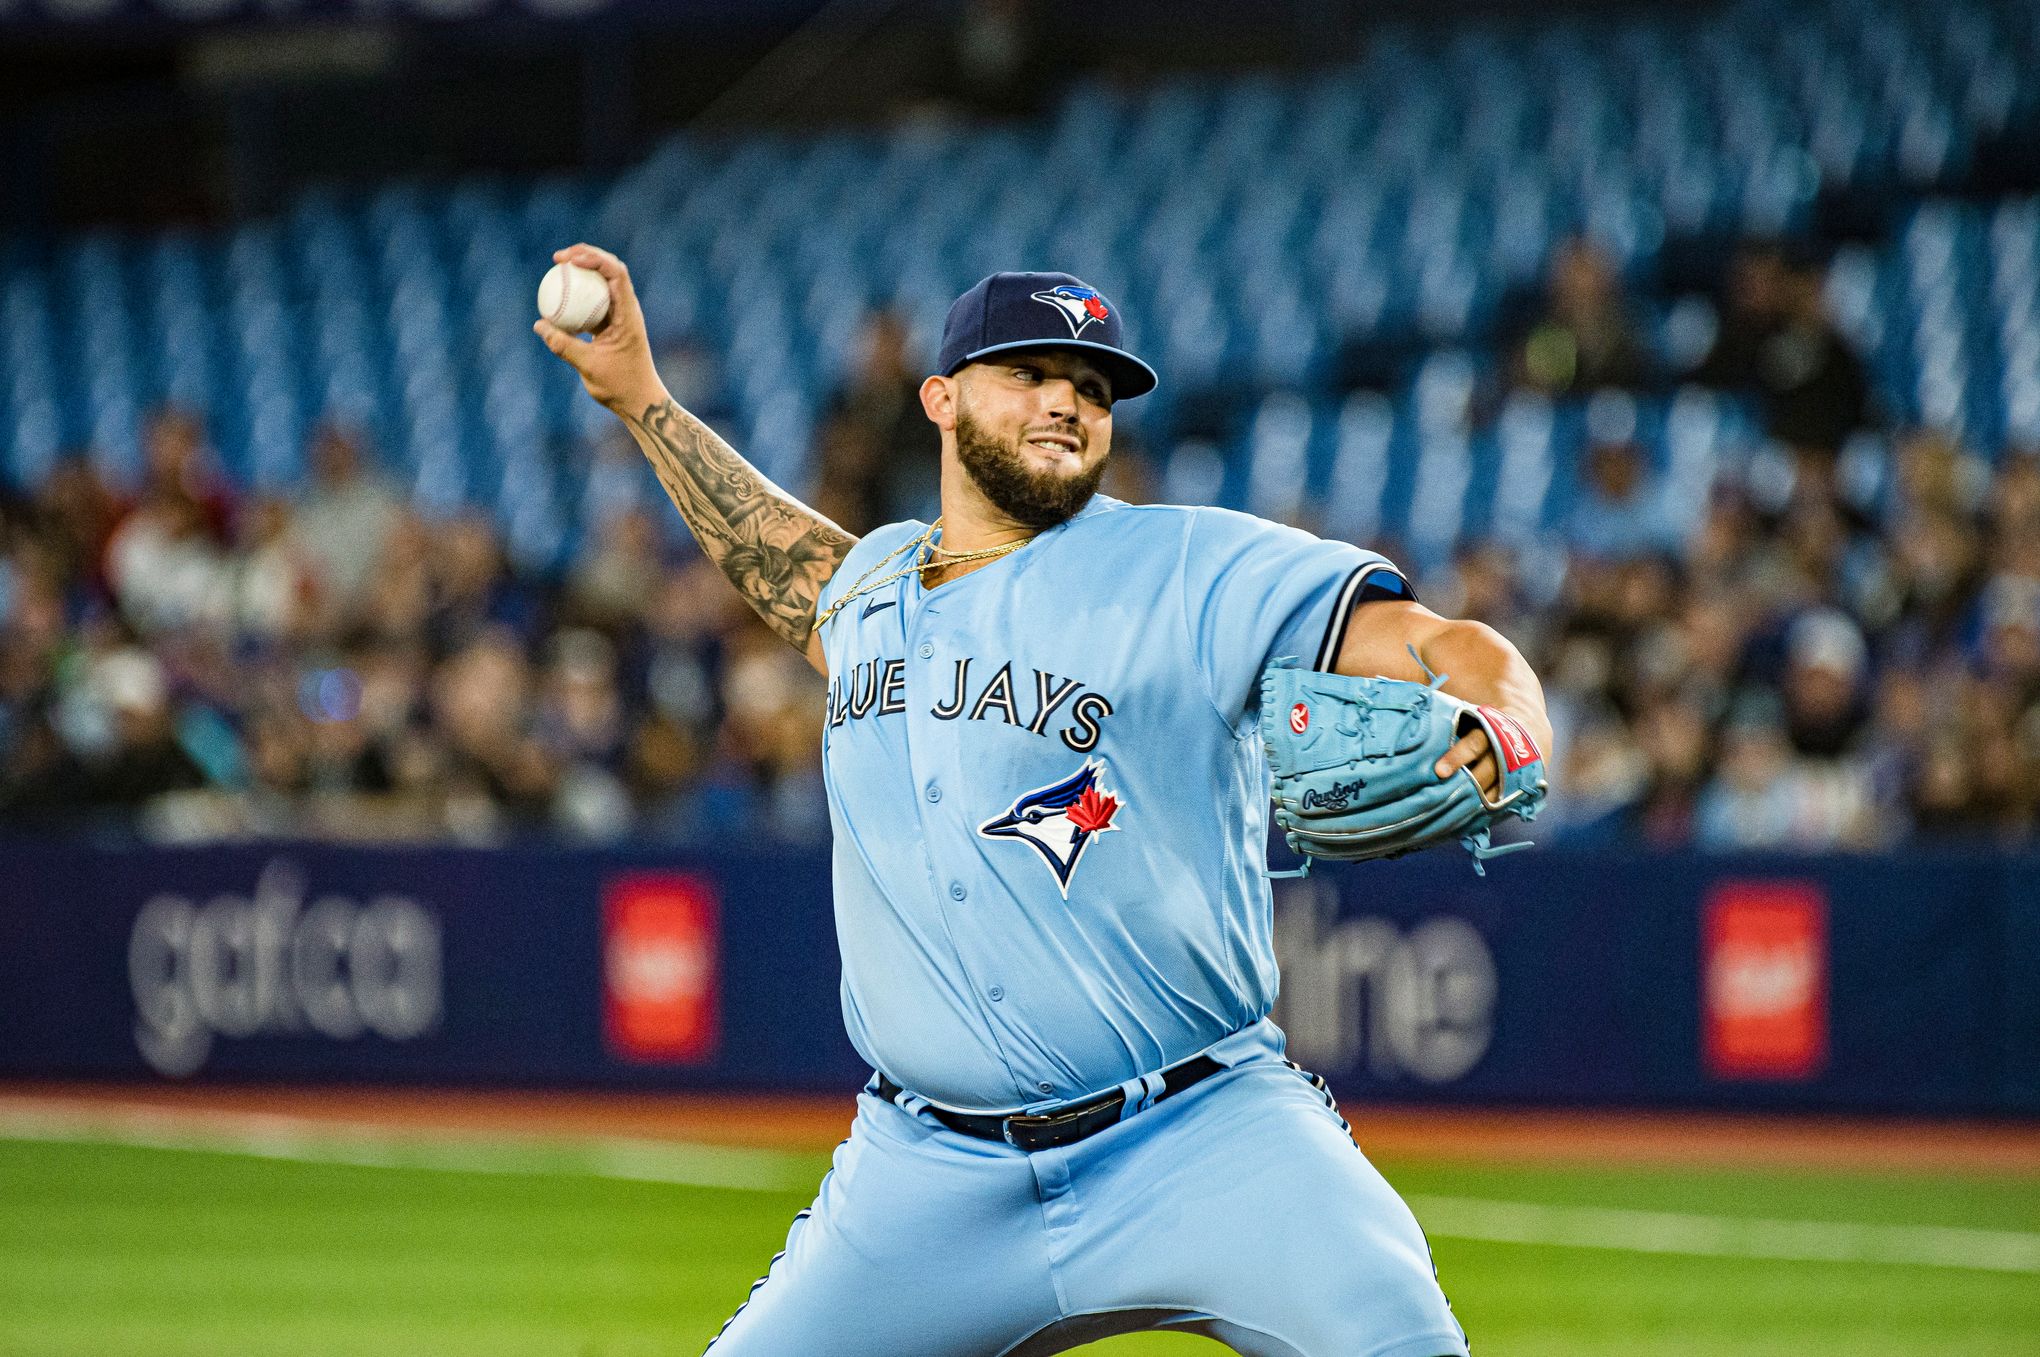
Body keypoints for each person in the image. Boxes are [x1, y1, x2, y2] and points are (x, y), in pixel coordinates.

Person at [535, 247, 1554, 1357]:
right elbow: (776, 554)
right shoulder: (874, 588)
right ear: (941, 398)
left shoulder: (1194, 565)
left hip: (1203, 1133)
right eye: (1028, 371)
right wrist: (643, 402)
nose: (1067, 399)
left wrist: (1505, 719)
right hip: (926, 1178)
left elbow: (1444, 644)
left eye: (1094, 386)